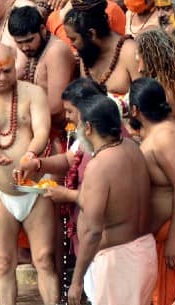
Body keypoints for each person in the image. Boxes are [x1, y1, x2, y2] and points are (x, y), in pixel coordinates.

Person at [0, 43, 59, 305]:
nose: (3, 78)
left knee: (44, 258)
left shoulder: (33, 93)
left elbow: (41, 131)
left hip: (34, 187)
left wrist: (30, 154)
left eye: (7, 71)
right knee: (5, 262)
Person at [69, 94, 156, 305]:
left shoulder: (99, 165)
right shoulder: (132, 148)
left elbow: (92, 231)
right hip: (144, 251)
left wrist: (77, 280)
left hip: (118, 263)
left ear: (88, 127)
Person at [128, 78, 175, 305]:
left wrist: (174, 238)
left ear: (134, 109)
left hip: (172, 235)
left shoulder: (166, 137)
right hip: (162, 235)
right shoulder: (164, 131)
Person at [8, 5, 74, 128]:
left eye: (29, 40)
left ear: (43, 29)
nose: (25, 47)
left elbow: (56, 106)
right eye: (19, 42)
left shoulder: (56, 51)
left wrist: (17, 118)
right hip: (39, 122)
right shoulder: (33, 49)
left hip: (62, 129)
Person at [64, 0, 140, 96]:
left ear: (91, 34)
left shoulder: (130, 52)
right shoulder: (87, 53)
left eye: (73, 39)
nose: (71, 44)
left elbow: (145, 105)